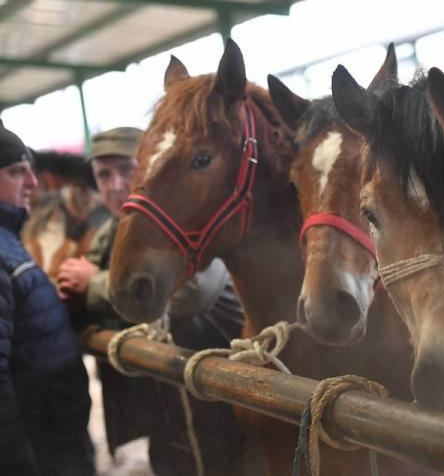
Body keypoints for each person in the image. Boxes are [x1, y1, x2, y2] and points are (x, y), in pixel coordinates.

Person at [58, 127, 255, 475]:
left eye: (125, 170)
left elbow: (187, 295)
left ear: (150, 168)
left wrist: (92, 285)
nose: (114, 184)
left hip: (223, 399)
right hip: (166, 401)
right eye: (103, 174)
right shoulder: (110, 234)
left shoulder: (187, 217)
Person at [0, 121, 94, 475]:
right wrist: (17, 462)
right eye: (15, 172)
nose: (33, 183)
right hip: (41, 448)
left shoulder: (10, 239)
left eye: (30, 170)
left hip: (56, 436)